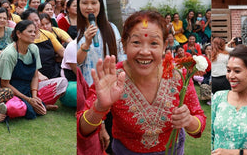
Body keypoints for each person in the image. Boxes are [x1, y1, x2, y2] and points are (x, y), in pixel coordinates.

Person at [77, 10, 205, 154]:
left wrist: (188, 120)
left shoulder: (178, 75)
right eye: (136, 42)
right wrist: (99, 108)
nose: (145, 51)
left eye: (154, 43)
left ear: (164, 47)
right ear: (124, 45)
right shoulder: (112, 77)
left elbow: (199, 123)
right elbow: (82, 129)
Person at [0, 20, 61, 120]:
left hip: (28, 87)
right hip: (10, 90)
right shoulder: (9, 54)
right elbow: (4, 84)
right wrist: (28, 99)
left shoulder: (34, 49)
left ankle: (36, 103)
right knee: (14, 108)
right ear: (18, 34)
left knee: (62, 83)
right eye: (30, 32)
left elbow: (35, 76)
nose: (33, 34)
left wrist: (34, 96)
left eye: (34, 32)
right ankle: (37, 105)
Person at [77, 0, 125, 86]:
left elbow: (121, 57)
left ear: (100, 4)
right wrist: (86, 44)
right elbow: (76, 62)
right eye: (85, 3)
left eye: (94, 3)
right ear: (78, 4)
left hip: (111, 86)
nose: (89, 7)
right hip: (88, 88)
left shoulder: (112, 28)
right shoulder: (76, 31)